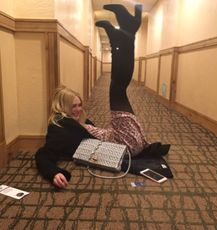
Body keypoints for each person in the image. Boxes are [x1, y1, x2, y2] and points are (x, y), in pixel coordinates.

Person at [35, 4, 170, 189]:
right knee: (118, 88)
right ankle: (127, 34)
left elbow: (89, 130)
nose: (78, 109)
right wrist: (54, 173)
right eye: (73, 106)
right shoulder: (58, 128)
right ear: (62, 108)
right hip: (124, 143)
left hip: (125, 139)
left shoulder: (74, 121)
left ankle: (123, 36)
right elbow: (42, 155)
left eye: (79, 104)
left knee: (119, 86)